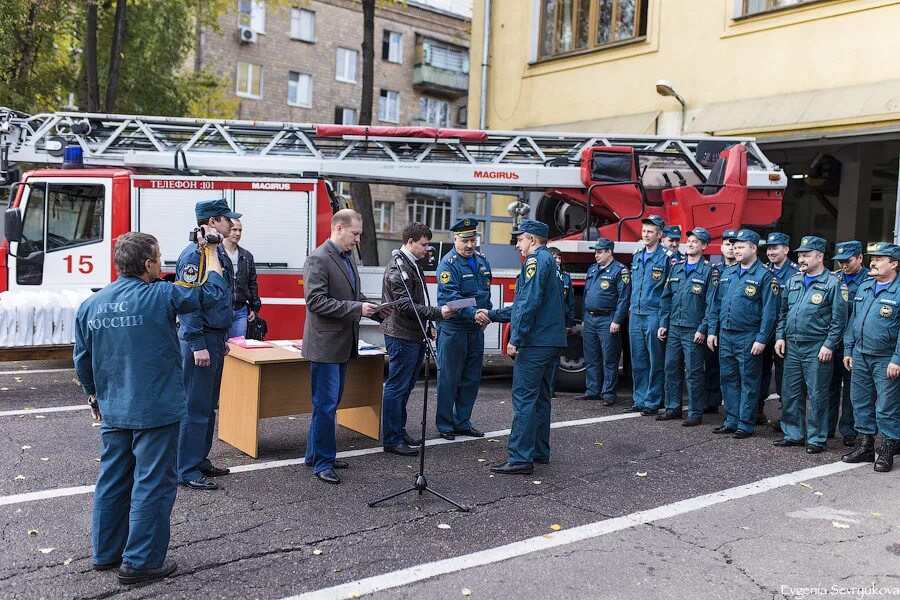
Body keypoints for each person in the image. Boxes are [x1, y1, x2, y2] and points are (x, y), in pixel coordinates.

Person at [74, 231, 227, 585]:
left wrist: (93, 396)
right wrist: (213, 252)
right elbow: (214, 294)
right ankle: (141, 561)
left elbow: (82, 359)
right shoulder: (161, 295)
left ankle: (106, 552)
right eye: (159, 258)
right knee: (154, 482)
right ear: (147, 265)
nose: (162, 263)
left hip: (114, 407)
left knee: (112, 479)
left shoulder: (91, 305)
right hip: (156, 409)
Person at [302, 209, 386, 484]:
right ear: (338, 228)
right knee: (326, 405)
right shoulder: (318, 258)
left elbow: (351, 295)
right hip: (325, 345)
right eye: (355, 234)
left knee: (329, 404)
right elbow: (316, 302)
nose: (358, 240)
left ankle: (315, 454)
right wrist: (357, 308)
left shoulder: (346, 258)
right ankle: (323, 462)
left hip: (339, 343)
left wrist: (371, 307)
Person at [484, 219, 567, 474]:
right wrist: (492, 314)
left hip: (535, 343)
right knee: (541, 398)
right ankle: (539, 451)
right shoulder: (548, 261)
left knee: (524, 399)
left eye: (520, 239)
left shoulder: (534, 262)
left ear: (532, 239)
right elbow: (524, 305)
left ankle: (520, 458)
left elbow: (528, 304)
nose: (518, 244)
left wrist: (515, 339)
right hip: (549, 342)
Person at [176, 199, 239, 491]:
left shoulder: (214, 253)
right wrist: (198, 344)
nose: (232, 224)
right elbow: (188, 306)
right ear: (212, 222)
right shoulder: (194, 256)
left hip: (213, 337)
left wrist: (221, 338)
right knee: (194, 406)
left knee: (207, 405)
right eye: (227, 219)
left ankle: (199, 460)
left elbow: (220, 298)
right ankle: (186, 469)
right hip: (200, 340)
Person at [380, 222, 454, 456]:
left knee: (405, 387)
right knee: (397, 387)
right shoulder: (398, 267)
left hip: (412, 334)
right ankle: (392, 439)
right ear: (410, 242)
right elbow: (404, 305)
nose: (427, 249)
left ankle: (398, 431)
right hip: (401, 335)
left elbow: (417, 300)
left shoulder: (411, 264)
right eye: (424, 244)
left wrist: (429, 324)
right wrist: (436, 313)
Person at [772, 236, 848, 453]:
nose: (801, 259)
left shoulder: (833, 283)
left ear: (819, 256)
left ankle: (816, 438)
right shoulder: (794, 280)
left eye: (806, 255)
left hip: (817, 346)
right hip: (793, 345)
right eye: (800, 255)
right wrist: (780, 336)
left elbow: (839, 320)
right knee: (791, 392)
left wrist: (829, 345)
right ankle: (794, 433)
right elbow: (783, 312)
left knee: (817, 394)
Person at [706, 229, 778, 438]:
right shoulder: (727, 273)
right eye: (734, 246)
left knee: (748, 380)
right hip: (726, 335)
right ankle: (731, 420)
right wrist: (712, 331)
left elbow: (769, 312)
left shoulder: (765, 276)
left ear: (753, 248)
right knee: (727, 378)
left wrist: (762, 339)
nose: (736, 250)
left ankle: (745, 423)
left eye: (740, 246)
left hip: (748, 336)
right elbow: (715, 305)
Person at [841, 242, 900, 472]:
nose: (873, 262)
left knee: (886, 406)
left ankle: (887, 449)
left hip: (886, 357)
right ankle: (865, 446)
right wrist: (848, 349)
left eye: (880, 259)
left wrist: (897, 358)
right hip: (860, 354)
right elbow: (853, 322)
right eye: (873, 258)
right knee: (860, 401)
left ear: (894, 264)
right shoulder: (866, 287)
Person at [435, 218, 494, 441]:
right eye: (465, 240)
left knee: (471, 378)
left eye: (473, 240)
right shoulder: (448, 265)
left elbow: (484, 295)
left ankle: (462, 422)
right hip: (453, 329)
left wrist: (486, 313)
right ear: (455, 239)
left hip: (474, 329)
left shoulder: (482, 262)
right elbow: (451, 300)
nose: (469, 245)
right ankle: (445, 424)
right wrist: (474, 313)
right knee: (449, 378)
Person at [657, 227, 714, 425]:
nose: (689, 244)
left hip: (693, 329)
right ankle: (673, 407)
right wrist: (664, 323)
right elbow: (666, 298)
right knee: (671, 367)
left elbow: (711, 304)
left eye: (695, 241)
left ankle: (695, 412)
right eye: (688, 240)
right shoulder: (676, 268)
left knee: (694, 372)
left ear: (704, 246)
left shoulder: (708, 272)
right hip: (674, 327)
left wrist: (703, 328)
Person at [627, 215, 674, 415]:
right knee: (638, 360)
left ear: (660, 234)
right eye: (644, 231)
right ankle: (640, 399)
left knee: (656, 360)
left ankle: (653, 401)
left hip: (654, 314)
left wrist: (664, 320)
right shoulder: (637, 255)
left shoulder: (668, 257)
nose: (646, 235)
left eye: (650, 231)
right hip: (636, 314)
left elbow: (670, 291)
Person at [575, 238, 630, 406]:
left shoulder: (620, 271)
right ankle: (592, 390)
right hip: (590, 319)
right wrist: (584, 319)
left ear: (609, 252)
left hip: (608, 319)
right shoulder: (592, 270)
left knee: (609, 359)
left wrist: (617, 320)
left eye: (599, 252)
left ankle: (608, 393)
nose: (596, 255)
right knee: (591, 357)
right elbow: (586, 295)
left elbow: (624, 298)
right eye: (595, 252)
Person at [828, 240, 869, 446]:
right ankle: (826, 427)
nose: (844, 266)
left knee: (852, 389)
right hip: (832, 341)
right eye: (840, 262)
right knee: (829, 386)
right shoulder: (834, 279)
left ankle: (849, 430)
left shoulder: (869, 281)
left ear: (860, 258)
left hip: (853, 343)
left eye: (848, 261)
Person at [759, 232, 800, 425]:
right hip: (764, 330)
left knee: (784, 375)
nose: (771, 251)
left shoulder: (796, 273)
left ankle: (786, 417)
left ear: (786, 249)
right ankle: (757, 410)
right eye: (768, 248)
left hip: (783, 332)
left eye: (775, 248)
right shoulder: (764, 271)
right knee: (760, 371)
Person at [704, 229, 739, 413]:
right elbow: (710, 302)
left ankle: (740, 409)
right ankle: (712, 400)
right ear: (722, 248)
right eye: (727, 244)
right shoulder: (714, 271)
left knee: (734, 371)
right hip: (715, 325)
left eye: (735, 244)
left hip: (734, 327)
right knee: (712, 365)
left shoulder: (743, 271)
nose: (731, 248)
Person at [223, 219, 262, 339]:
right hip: (221, 311)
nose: (238, 233)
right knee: (220, 350)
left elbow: (252, 283)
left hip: (241, 311)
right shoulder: (216, 253)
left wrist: (254, 309)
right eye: (234, 229)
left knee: (238, 351)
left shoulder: (247, 256)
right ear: (227, 229)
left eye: (240, 230)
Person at [548, 246, 575, 400]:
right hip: (547, 322)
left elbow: (570, 302)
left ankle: (551, 390)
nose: (557, 260)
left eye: (559, 257)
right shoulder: (544, 273)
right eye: (554, 257)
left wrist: (569, 323)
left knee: (556, 358)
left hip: (560, 322)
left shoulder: (565, 277)